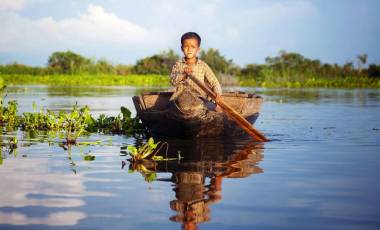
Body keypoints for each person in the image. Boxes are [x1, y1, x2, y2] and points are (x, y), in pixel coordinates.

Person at [170, 32, 222, 111]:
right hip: (180, 97)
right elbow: (173, 80)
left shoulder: (203, 65)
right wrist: (184, 75)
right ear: (182, 48)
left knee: (217, 109)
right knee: (172, 107)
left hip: (200, 98)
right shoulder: (178, 65)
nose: (189, 49)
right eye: (186, 46)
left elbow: (214, 82)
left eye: (193, 47)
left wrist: (218, 93)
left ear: (198, 49)